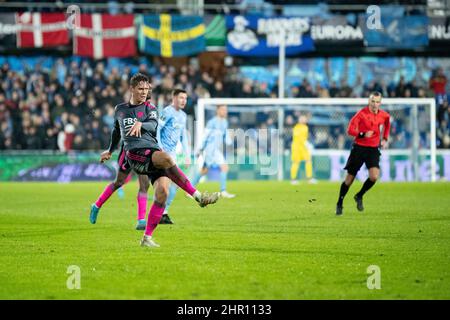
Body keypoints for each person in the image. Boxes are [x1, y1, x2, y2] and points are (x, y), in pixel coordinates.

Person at [91, 73, 220, 248]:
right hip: (134, 153)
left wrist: (141, 124)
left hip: (151, 153)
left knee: (163, 193)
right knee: (128, 178)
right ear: (132, 89)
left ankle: (146, 238)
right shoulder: (120, 109)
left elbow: (152, 125)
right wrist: (110, 150)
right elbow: (116, 131)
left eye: (146, 89)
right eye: (140, 89)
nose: (144, 92)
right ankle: (198, 196)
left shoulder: (150, 109)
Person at [335, 91, 391, 215]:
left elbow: (387, 124)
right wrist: (362, 134)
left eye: (377, 102)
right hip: (359, 148)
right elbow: (349, 130)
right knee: (349, 180)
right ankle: (339, 203)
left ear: (380, 103)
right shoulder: (361, 114)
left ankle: (359, 195)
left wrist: (385, 138)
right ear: (368, 101)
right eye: (373, 101)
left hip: (373, 149)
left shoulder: (384, 115)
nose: (375, 104)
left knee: (374, 176)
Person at [157, 88, 191, 224]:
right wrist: (160, 147)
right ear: (174, 98)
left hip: (172, 153)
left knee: (172, 185)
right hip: (164, 153)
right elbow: (157, 129)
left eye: (186, 98)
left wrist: (187, 154)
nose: (184, 101)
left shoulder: (183, 116)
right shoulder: (166, 112)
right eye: (181, 98)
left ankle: (163, 212)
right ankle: (161, 212)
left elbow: (183, 137)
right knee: (173, 182)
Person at [191, 105, 235, 198]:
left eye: (226, 110)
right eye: (223, 109)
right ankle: (223, 191)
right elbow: (205, 136)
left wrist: (230, 141)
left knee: (204, 171)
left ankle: (190, 190)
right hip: (210, 150)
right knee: (224, 167)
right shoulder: (212, 122)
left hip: (216, 150)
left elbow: (225, 137)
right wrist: (200, 148)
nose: (225, 111)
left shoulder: (224, 122)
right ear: (218, 110)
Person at [290, 114, 317, 185]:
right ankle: (293, 179)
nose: (303, 120)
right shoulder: (296, 127)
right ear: (299, 120)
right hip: (296, 147)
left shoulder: (305, 127)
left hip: (303, 148)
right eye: (301, 118)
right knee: (296, 162)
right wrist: (307, 144)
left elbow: (303, 138)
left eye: (304, 118)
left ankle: (309, 178)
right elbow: (298, 138)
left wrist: (306, 144)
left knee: (308, 161)